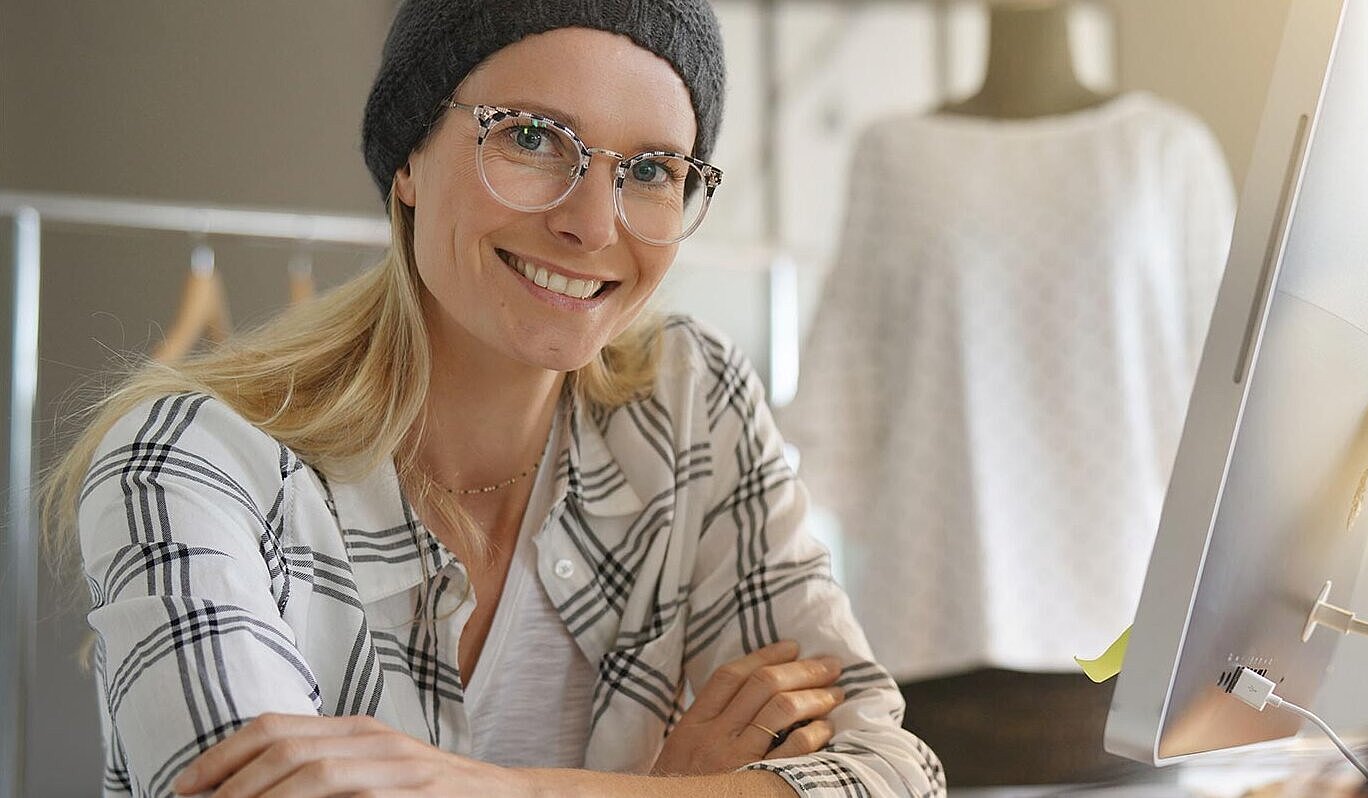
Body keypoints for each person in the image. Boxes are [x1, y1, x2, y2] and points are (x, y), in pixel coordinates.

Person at [40, 1, 943, 795]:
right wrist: (677, 789)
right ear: (408, 158)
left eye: (651, 169)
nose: (592, 224)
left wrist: (505, 790)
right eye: (531, 138)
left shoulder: (688, 405)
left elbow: (890, 774)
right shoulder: (185, 464)